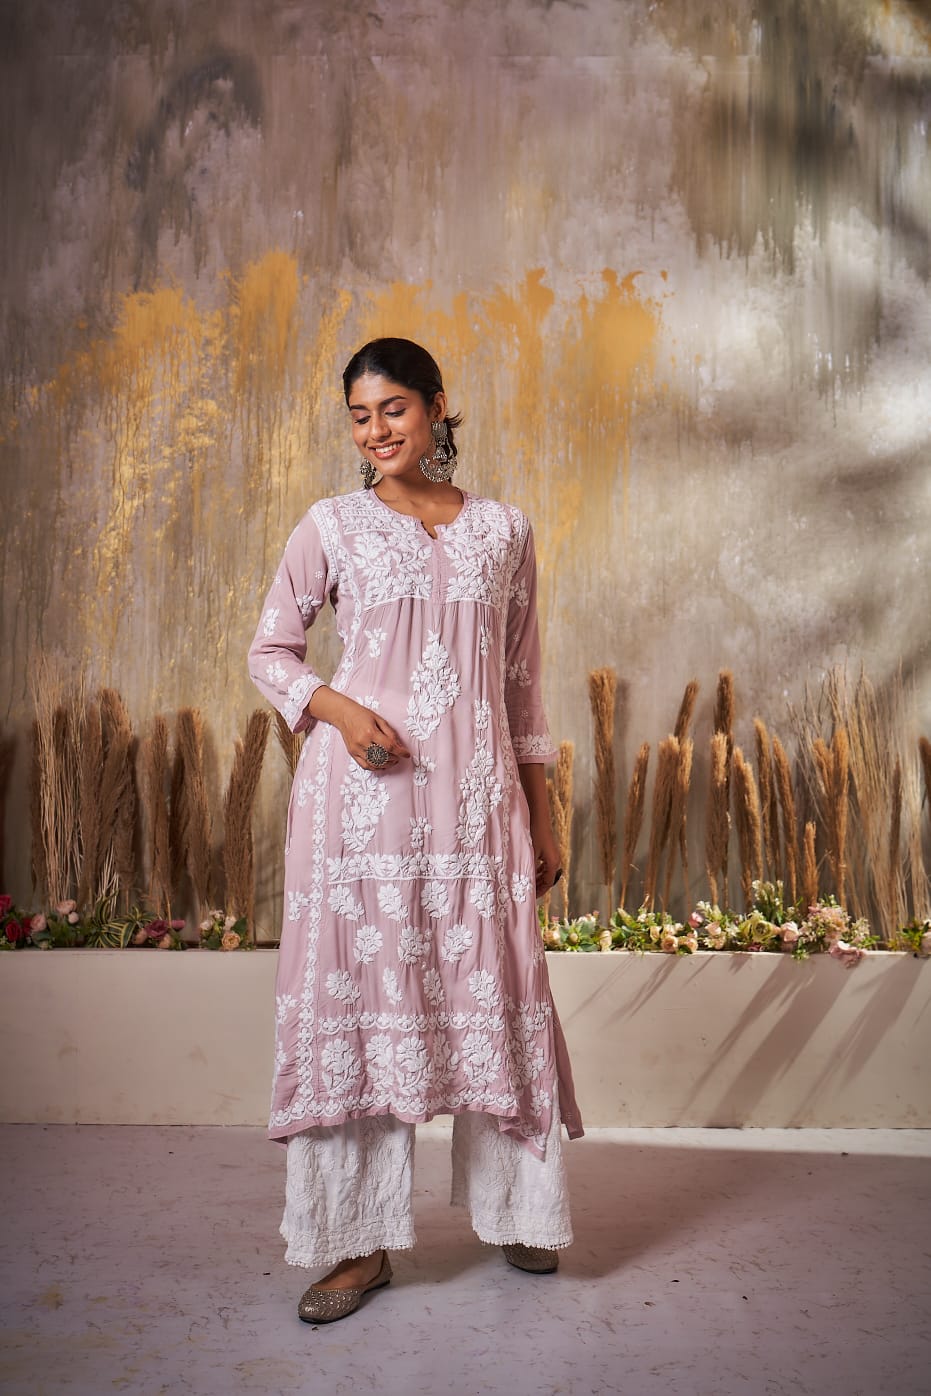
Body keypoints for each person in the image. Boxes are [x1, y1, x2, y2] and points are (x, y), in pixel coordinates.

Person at [248, 337, 583, 1324]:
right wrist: (341, 712)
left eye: (392, 408)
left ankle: (519, 1208)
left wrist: (543, 811)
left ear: (436, 407)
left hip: (477, 808)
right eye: (358, 416)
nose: (375, 430)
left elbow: (520, 684)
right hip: (362, 812)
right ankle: (355, 1245)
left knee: (497, 987)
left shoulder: (503, 531)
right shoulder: (332, 524)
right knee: (361, 1002)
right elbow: (271, 652)